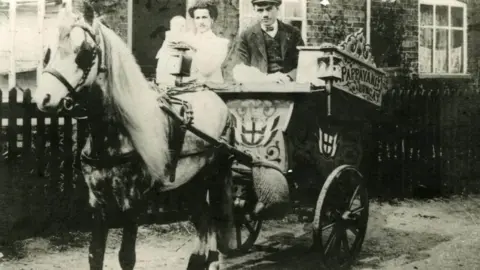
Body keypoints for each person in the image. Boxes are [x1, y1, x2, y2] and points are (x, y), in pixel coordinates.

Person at [230, 0, 305, 84]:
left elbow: (303, 64)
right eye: (260, 10)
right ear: (254, 10)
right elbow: (241, 68)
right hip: (259, 88)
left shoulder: (293, 33)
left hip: (288, 86)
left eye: (269, 9)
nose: (265, 14)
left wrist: (288, 77)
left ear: (277, 9)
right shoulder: (246, 36)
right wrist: (266, 79)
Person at [168, 0, 230, 84]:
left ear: (212, 19)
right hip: (186, 91)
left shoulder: (221, 43)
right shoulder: (187, 41)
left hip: (210, 90)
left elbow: (206, 71)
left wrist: (192, 45)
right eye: (197, 18)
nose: (201, 22)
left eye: (204, 17)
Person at [155, 16, 188, 86]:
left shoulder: (179, 35)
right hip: (167, 61)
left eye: (184, 26)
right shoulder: (171, 35)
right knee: (167, 81)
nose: (183, 28)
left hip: (173, 61)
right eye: (181, 25)